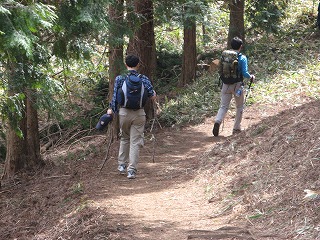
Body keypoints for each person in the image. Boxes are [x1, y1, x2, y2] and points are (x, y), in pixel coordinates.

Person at [107, 54, 156, 179]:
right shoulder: (143, 78)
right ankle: (132, 170)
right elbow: (152, 95)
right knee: (135, 142)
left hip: (124, 113)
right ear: (138, 65)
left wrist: (111, 110)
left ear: (125, 64)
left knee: (124, 138)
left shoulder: (120, 78)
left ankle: (122, 165)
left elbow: (115, 97)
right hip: (139, 114)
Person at [213, 37, 255, 137]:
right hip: (237, 86)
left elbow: (220, 70)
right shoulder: (242, 58)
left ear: (231, 45)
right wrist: (251, 77)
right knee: (239, 106)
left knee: (223, 106)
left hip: (225, 84)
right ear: (241, 47)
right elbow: (245, 73)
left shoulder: (225, 56)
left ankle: (217, 121)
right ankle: (236, 128)